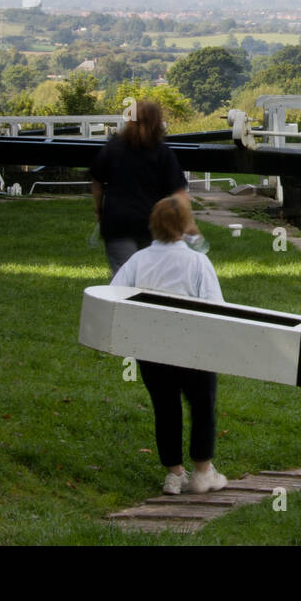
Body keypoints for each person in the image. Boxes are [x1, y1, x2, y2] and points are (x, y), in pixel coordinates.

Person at [110, 195, 228, 495]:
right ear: (185, 226)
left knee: (165, 408)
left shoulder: (139, 260)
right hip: (194, 349)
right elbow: (216, 306)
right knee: (202, 406)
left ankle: (173, 474)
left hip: (152, 348)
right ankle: (203, 471)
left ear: (153, 225)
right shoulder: (197, 261)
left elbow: (114, 295)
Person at [90, 99, 192, 276]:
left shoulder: (112, 148)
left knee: (124, 276)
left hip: (117, 222)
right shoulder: (163, 153)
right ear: (157, 123)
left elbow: (97, 182)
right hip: (153, 223)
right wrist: (188, 224)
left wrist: (99, 210)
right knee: (152, 276)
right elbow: (179, 193)